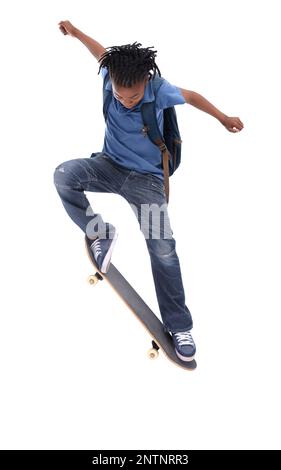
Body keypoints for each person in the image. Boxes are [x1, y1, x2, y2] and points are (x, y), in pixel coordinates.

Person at [54, 21, 244, 363]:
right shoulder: (110, 75)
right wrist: (77, 33)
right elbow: (100, 53)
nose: (126, 101)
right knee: (65, 175)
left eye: (135, 96)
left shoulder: (159, 88)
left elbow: (192, 96)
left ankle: (180, 326)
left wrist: (222, 117)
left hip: (147, 182)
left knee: (163, 248)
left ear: (147, 84)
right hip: (108, 166)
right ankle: (100, 232)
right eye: (120, 95)